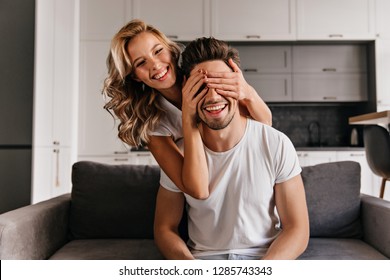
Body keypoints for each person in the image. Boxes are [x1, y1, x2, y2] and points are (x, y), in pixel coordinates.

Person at [154, 37, 309, 260]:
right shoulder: (178, 154)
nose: (213, 96)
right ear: (187, 88)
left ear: (238, 84)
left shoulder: (276, 143)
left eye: (222, 84)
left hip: (265, 259)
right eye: (202, 87)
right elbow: (164, 228)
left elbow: (298, 229)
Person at [102, 19, 272, 199]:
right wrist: (188, 116)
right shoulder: (154, 126)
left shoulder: (203, 75)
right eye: (140, 63)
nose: (155, 65)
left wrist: (248, 92)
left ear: (170, 50)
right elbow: (198, 190)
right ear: (134, 76)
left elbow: (265, 125)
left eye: (158, 51)